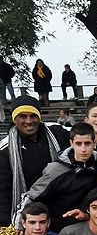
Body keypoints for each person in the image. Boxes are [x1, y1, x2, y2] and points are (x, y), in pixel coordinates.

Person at [13, 122, 97, 233]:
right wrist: (18, 225)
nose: (83, 149)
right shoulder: (56, 170)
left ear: (94, 143)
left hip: (90, 226)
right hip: (59, 230)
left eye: (87, 143)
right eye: (78, 144)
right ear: (71, 143)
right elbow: (31, 197)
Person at [0, 96, 70, 226]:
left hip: (63, 209)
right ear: (15, 119)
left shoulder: (57, 133)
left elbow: (84, 135)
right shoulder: (6, 150)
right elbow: (3, 191)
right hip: (31, 216)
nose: (29, 121)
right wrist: (3, 225)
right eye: (23, 116)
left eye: (33, 116)